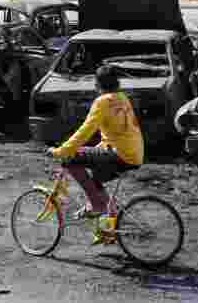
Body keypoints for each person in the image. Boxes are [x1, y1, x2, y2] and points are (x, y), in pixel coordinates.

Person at [48, 65, 144, 245]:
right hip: (134, 153)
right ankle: (108, 231)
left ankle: (95, 204)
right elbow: (118, 132)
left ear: (97, 84)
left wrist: (62, 150)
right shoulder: (122, 98)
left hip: (120, 154)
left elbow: (85, 131)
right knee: (96, 180)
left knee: (71, 159)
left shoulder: (103, 101)